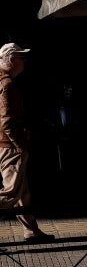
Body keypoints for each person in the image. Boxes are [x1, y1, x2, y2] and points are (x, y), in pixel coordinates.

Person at [0, 42, 55, 243]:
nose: (25, 61)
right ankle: (31, 231)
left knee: (21, 193)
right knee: (10, 194)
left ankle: (31, 231)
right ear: (12, 59)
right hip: (10, 146)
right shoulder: (7, 85)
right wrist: (19, 144)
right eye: (22, 57)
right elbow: (6, 120)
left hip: (4, 145)